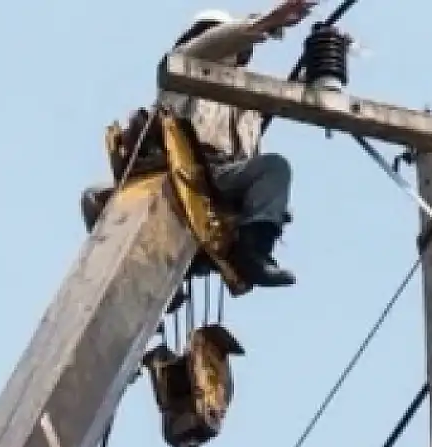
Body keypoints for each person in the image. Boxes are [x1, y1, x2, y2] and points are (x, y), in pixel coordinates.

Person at [80, 1, 315, 287]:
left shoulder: (249, 96)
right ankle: (139, 274)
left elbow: (297, 94)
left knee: (273, 169)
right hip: (185, 169)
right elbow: (216, 41)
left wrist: (325, 57)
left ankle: (251, 254)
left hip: (224, 181)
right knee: (95, 197)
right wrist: (268, 21)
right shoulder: (184, 65)